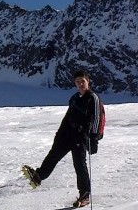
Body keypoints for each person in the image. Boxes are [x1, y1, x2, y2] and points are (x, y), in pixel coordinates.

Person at [22, 70, 105, 208]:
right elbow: (67, 118)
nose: (80, 84)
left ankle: (85, 195)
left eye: (82, 81)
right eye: (77, 82)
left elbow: (97, 118)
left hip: (81, 136)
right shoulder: (74, 98)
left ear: (88, 81)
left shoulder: (93, 98)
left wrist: (94, 139)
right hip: (66, 134)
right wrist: (59, 134)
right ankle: (38, 176)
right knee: (54, 155)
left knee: (79, 164)